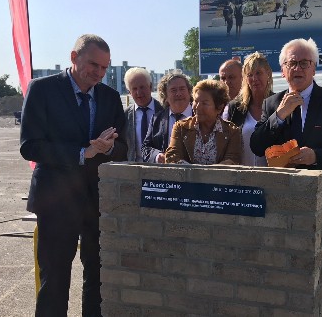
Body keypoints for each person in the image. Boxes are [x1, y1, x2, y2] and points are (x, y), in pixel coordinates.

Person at [19, 34, 127, 316]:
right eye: (94, 65)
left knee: (97, 276)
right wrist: (82, 153)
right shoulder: (42, 90)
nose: (99, 73)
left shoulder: (110, 97)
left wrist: (111, 146)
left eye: (105, 68)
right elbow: (29, 146)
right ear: (73, 57)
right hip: (55, 201)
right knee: (54, 279)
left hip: (97, 202)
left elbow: (123, 147)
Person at [250, 38, 322, 316]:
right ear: (283, 69)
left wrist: (316, 156)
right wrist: (280, 115)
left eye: (304, 63)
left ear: (314, 69)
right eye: (291, 63)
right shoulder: (272, 103)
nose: (297, 68)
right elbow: (256, 145)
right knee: (284, 262)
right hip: (280, 199)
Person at [166, 79, 241, 165]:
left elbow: (232, 161)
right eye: (196, 101)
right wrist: (195, 173)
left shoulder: (232, 131)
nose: (197, 107)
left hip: (218, 178)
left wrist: (205, 174)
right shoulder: (181, 128)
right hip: (186, 178)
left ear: (219, 108)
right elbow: (172, 157)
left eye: (204, 103)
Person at [223, 51, 274, 166]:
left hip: (272, 177)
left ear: (268, 74)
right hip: (242, 177)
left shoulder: (278, 103)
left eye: (258, 73)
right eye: (250, 75)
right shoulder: (235, 107)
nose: (254, 78)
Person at [141, 73, 193, 163]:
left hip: (195, 174)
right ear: (165, 95)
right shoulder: (157, 119)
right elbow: (145, 148)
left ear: (189, 92)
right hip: (165, 174)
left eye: (182, 89)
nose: (178, 94)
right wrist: (157, 156)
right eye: (173, 90)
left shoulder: (200, 115)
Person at [124, 67, 163, 162]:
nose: (139, 92)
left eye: (142, 87)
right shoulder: (125, 115)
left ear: (150, 87)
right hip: (134, 171)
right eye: (134, 89)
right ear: (129, 92)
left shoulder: (164, 111)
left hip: (160, 169)